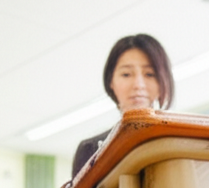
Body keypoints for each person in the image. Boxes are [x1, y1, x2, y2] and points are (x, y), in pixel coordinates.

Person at [71, 33, 174, 178]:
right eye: (126, 74)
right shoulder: (90, 149)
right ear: (111, 82)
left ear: (163, 81)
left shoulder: (180, 140)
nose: (138, 85)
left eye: (149, 74)